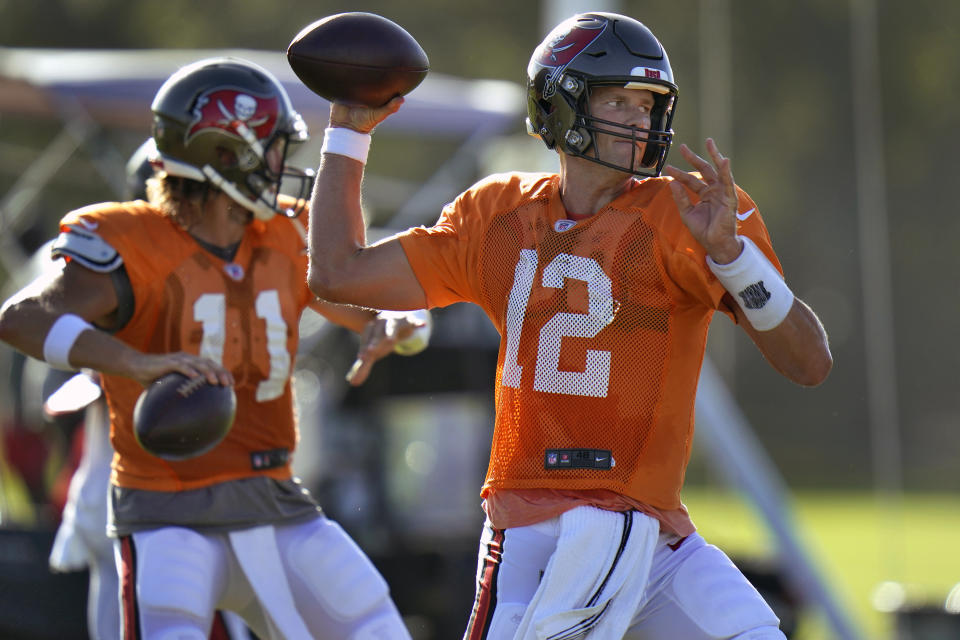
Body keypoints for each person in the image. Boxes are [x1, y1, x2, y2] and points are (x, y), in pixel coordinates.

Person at [307, 11, 831, 640]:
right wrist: (349, 131)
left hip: (648, 528)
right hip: (538, 533)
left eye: (649, 103)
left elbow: (809, 362)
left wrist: (733, 257)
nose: (641, 120)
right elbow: (338, 273)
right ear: (561, 105)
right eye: (619, 100)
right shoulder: (496, 212)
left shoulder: (689, 212)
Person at [0, 56, 428, 639]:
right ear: (228, 156)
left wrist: (392, 324)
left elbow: (385, 299)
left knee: (374, 623)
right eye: (274, 149)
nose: (283, 166)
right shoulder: (131, 237)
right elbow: (21, 318)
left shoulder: (286, 232)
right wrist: (136, 363)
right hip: (166, 510)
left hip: (275, 498)